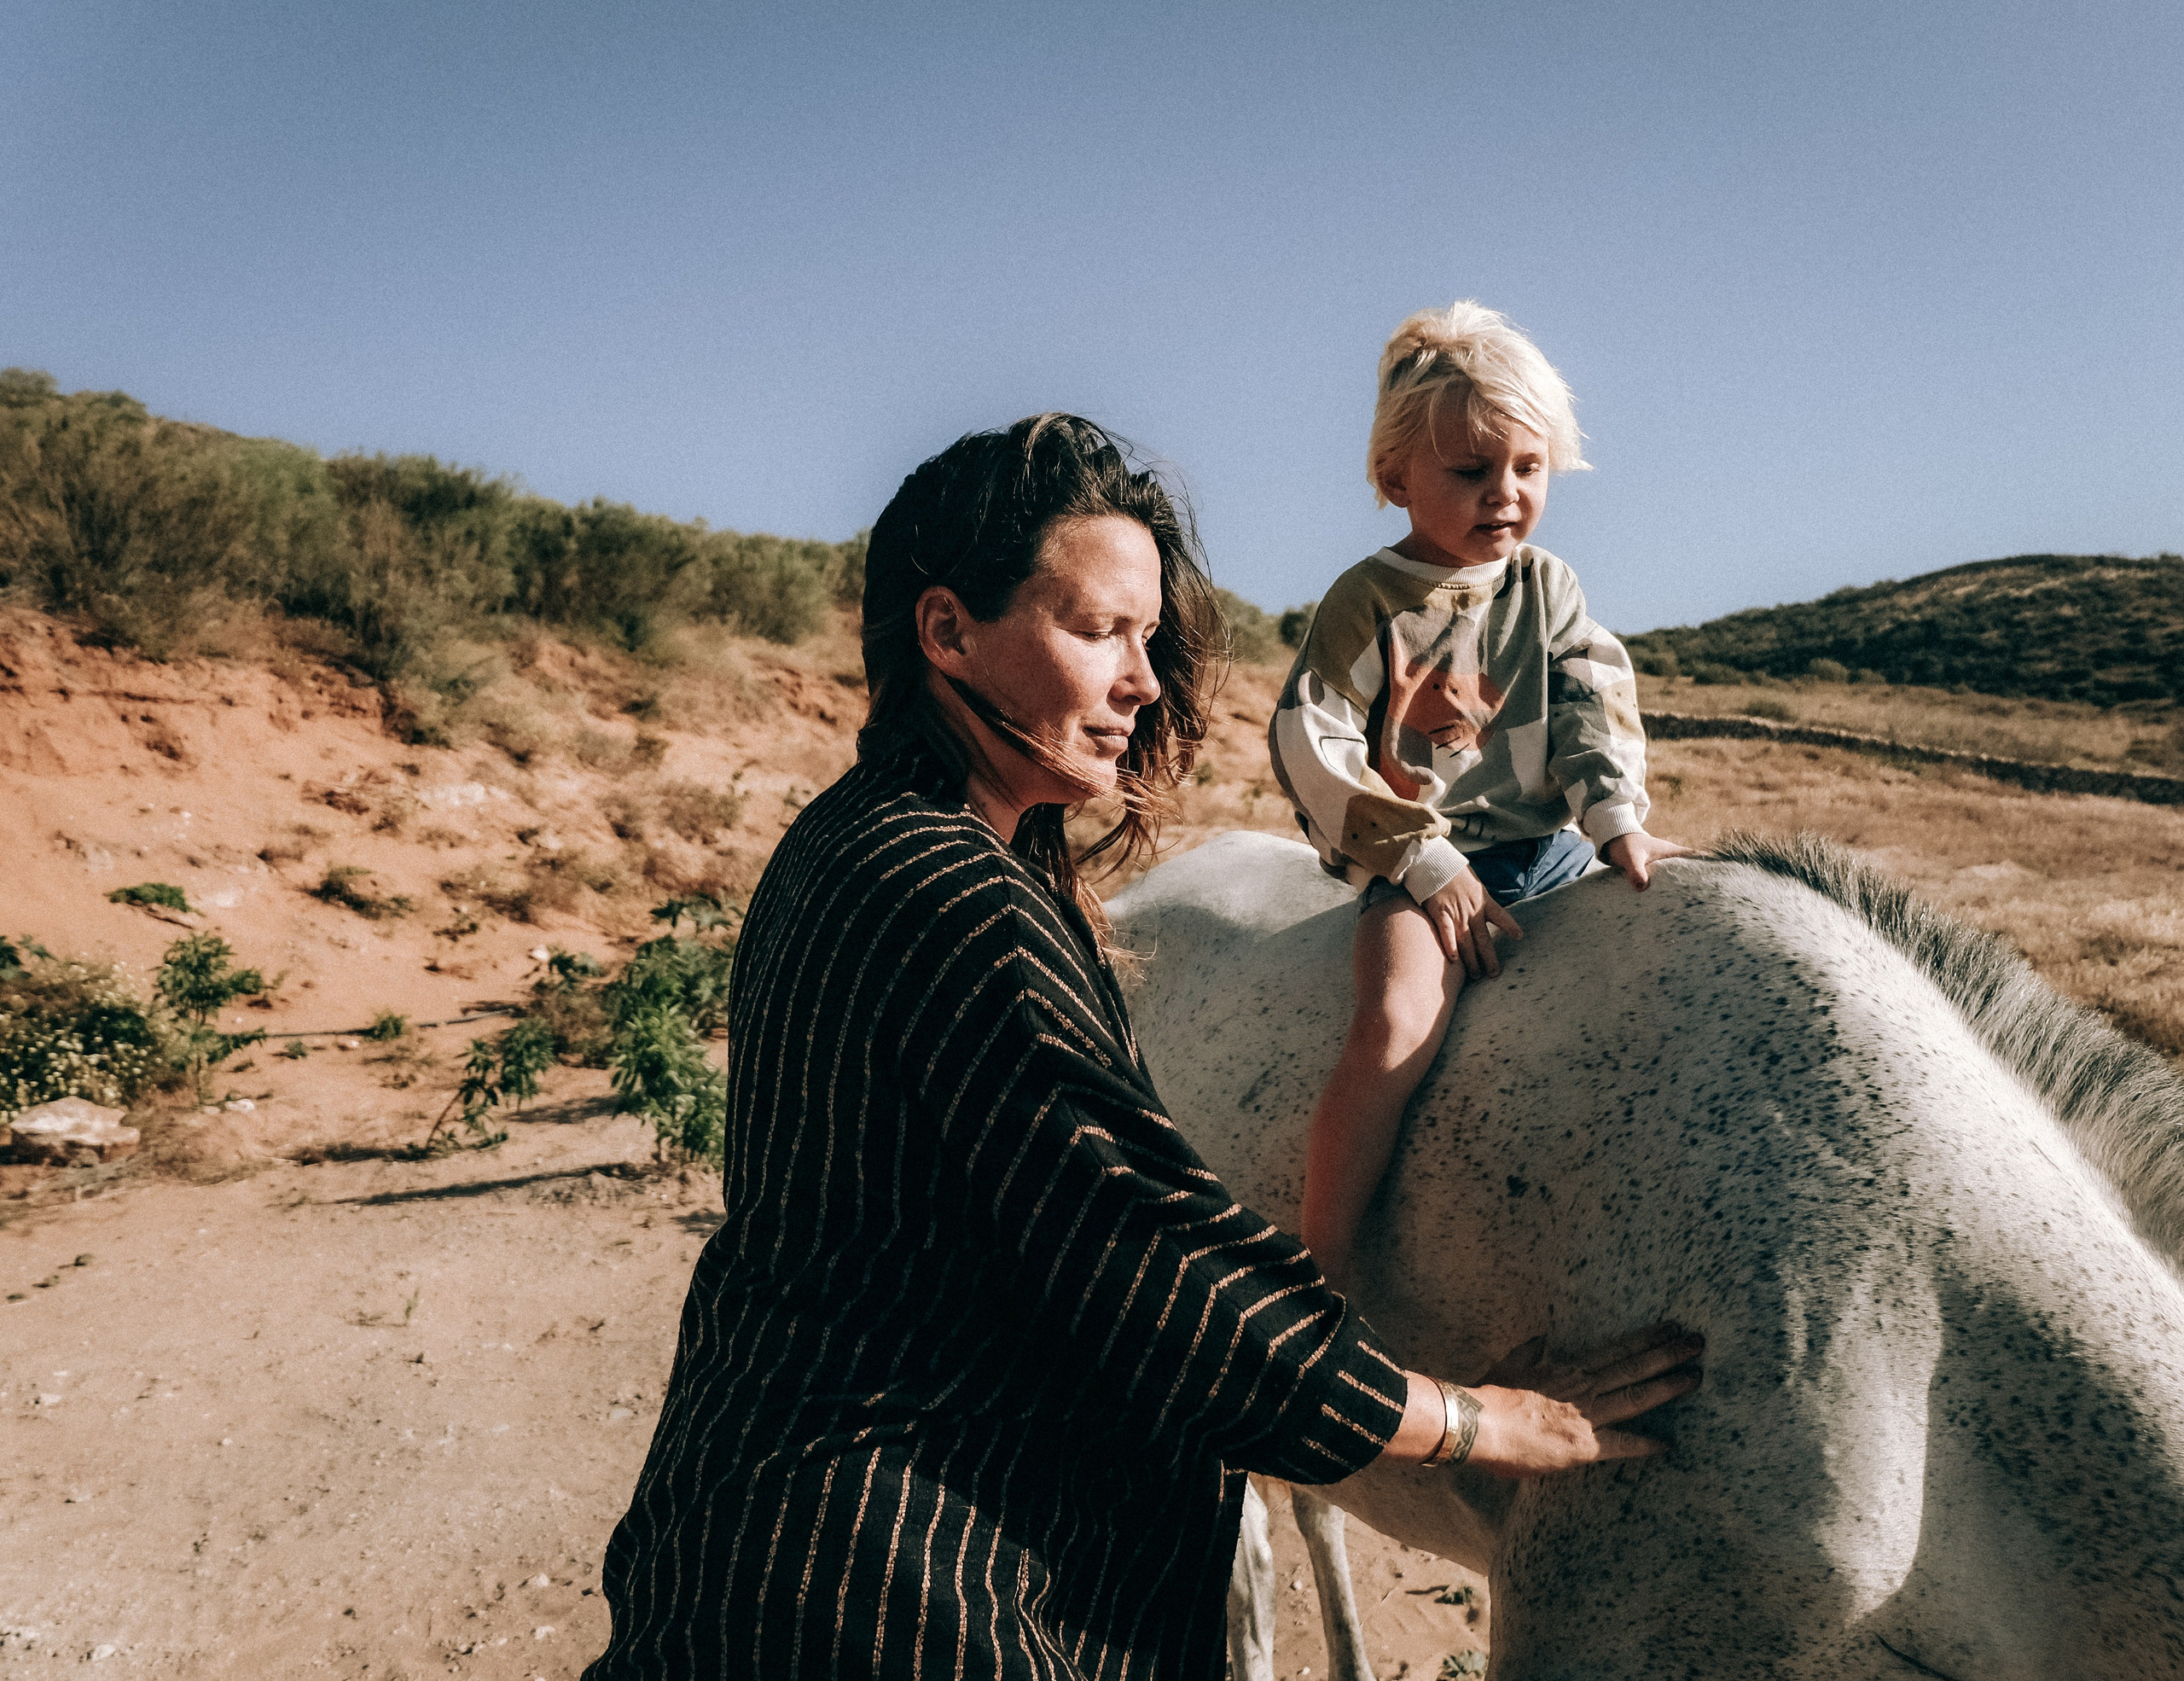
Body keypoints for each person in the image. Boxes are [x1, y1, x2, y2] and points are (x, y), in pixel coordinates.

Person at [584, 414, 1700, 1680]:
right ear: (946, 630)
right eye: (1097, 630)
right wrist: (1478, 1417)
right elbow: (1161, 1279)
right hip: (902, 1590)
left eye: (1147, 637)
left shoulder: (854, 836)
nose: (1146, 681)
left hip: (763, 1546)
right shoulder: (962, 902)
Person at [1269, 302, 1688, 1289]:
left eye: (1527, 468)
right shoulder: (1367, 601)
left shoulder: (1550, 588)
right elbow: (1309, 737)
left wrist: (1616, 820)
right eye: (1469, 471)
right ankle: (1314, 1275)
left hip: (1555, 849)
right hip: (1423, 863)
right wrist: (1423, 861)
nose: (1504, 494)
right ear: (1394, 478)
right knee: (1397, 1021)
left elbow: (1592, 701)